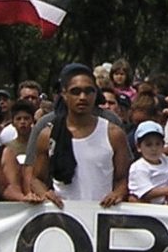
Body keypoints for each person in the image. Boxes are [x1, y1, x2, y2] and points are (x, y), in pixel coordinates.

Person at [27, 64, 131, 205]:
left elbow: (122, 179)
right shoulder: (48, 135)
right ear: (64, 94)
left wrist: (117, 194)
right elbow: (36, 178)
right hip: (63, 215)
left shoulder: (114, 134)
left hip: (102, 214)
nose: (83, 97)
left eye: (89, 91)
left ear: (96, 94)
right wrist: (45, 194)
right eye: (76, 92)